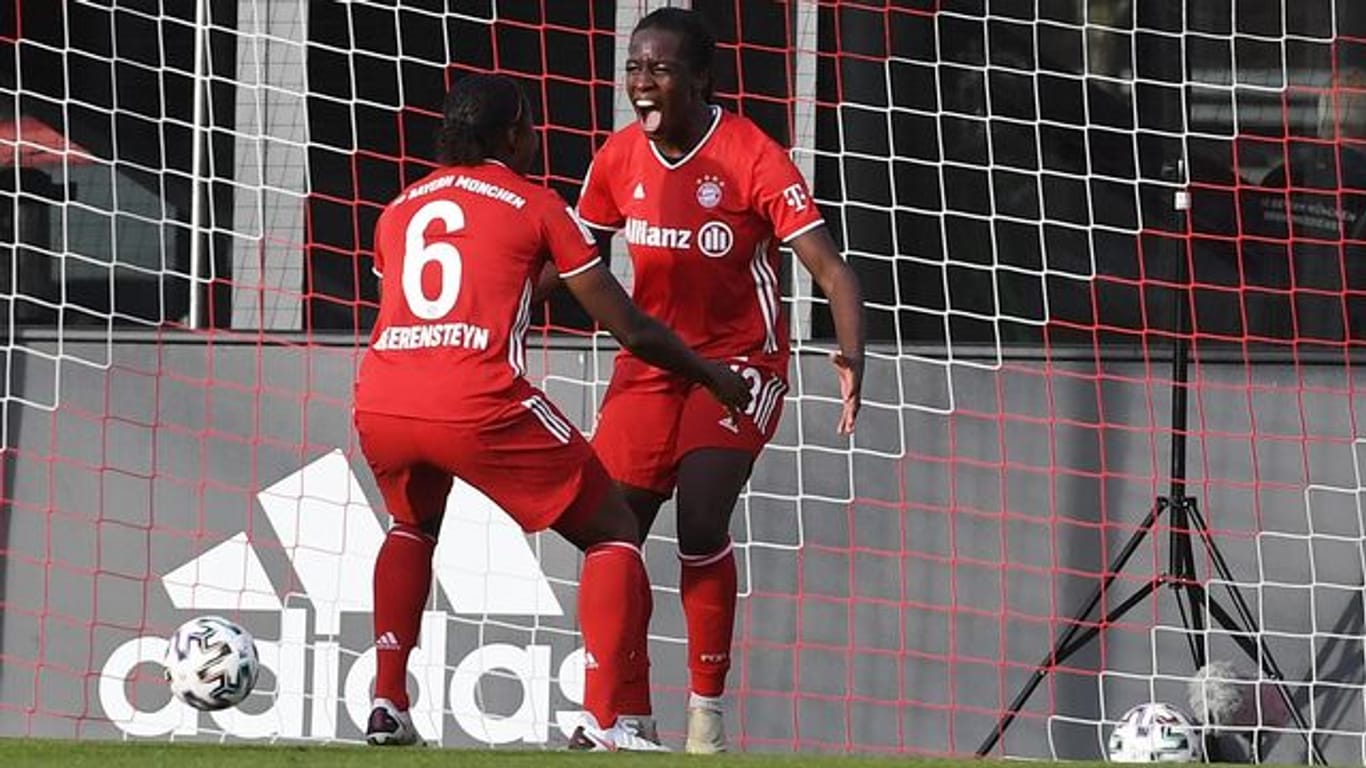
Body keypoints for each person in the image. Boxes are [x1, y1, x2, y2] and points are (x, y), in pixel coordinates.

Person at [352, 72, 751, 751]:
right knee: (614, 530)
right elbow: (628, 326)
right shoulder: (535, 204)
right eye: (531, 125)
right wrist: (709, 373)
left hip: (382, 398)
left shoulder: (400, 208)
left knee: (412, 526)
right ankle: (602, 721)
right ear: (513, 133)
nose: (537, 136)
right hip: (478, 398)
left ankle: (387, 702)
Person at [573, 7, 866, 754]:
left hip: (741, 366)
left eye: (660, 68)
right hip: (650, 365)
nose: (642, 82)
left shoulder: (750, 154)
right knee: (611, 535)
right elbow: (573, 261)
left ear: (699, 78)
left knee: (701, 520)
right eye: (635, 67)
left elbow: (831, 270)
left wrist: (851, 351)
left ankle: (705, 710)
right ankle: (619, 714)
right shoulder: (616, 158)